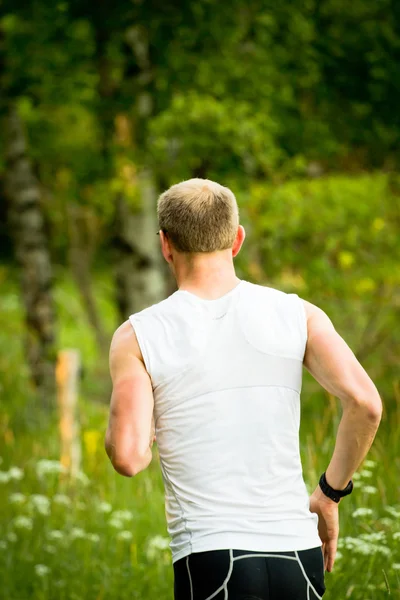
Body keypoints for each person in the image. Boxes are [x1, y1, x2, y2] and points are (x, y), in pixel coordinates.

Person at [105, 178, 382, 600]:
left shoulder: (139, 335)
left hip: (213, 558)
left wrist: (147, 440)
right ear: (237, 240)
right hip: (299, 555)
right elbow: (365, 404)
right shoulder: (298, 314)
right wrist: (328, 494)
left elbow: (127, 456)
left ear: (165, 245)